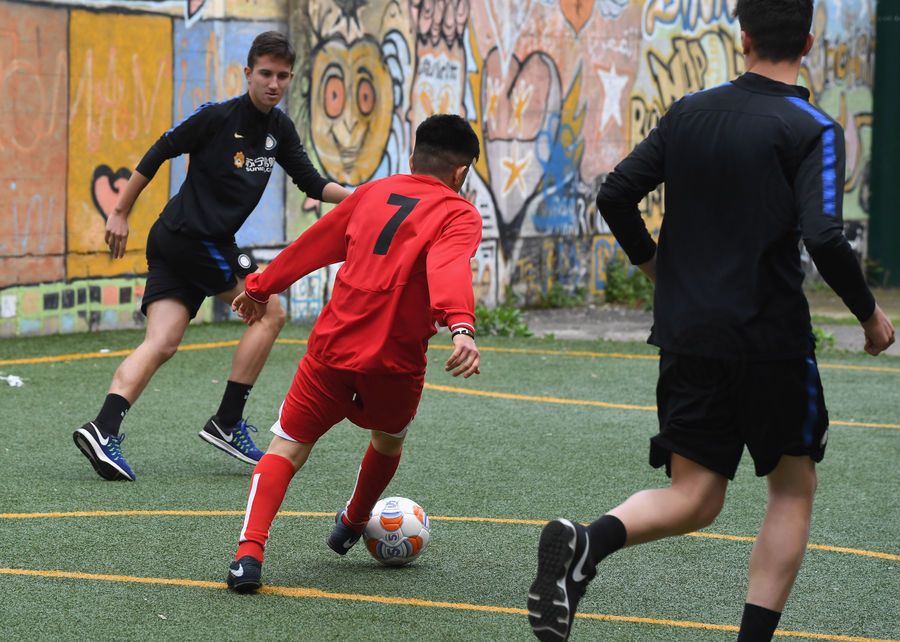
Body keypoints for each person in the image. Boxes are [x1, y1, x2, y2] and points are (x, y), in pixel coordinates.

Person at [527, 0, 896, 639]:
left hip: (688, 334)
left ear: (743, 37)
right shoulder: (813, 127)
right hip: (771, 341)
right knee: (792, 489)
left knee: (695, 496)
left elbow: (614, 194)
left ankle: (589, 544)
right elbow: (824, 236)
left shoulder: (688, 112)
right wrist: (869, 315)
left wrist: (656, 269)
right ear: (808, 43)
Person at [73, 31, 351, 481]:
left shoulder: (279, 129)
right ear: (248, 73)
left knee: (161, 342)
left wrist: (362, 197)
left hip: (182, 240)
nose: (273, 84)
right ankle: (227, 421)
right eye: (265, 74)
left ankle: (103, 429)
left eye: (282, 76)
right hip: (194, 240)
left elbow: (312, 183)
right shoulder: (218, 117)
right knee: (270, 313)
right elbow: (161, 149)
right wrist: (119, 211)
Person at [223, 113, 483, 593]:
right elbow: (449, 266)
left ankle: (248, 557)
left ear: (412, 156)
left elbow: (313, 245)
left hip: (332, 348)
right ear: (461, 172)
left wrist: (260, 286)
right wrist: (460, 327)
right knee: (388, 439)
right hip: (395, 361)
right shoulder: (459, 213)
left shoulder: (370, 193)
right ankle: (354, 519)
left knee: (287, 448)